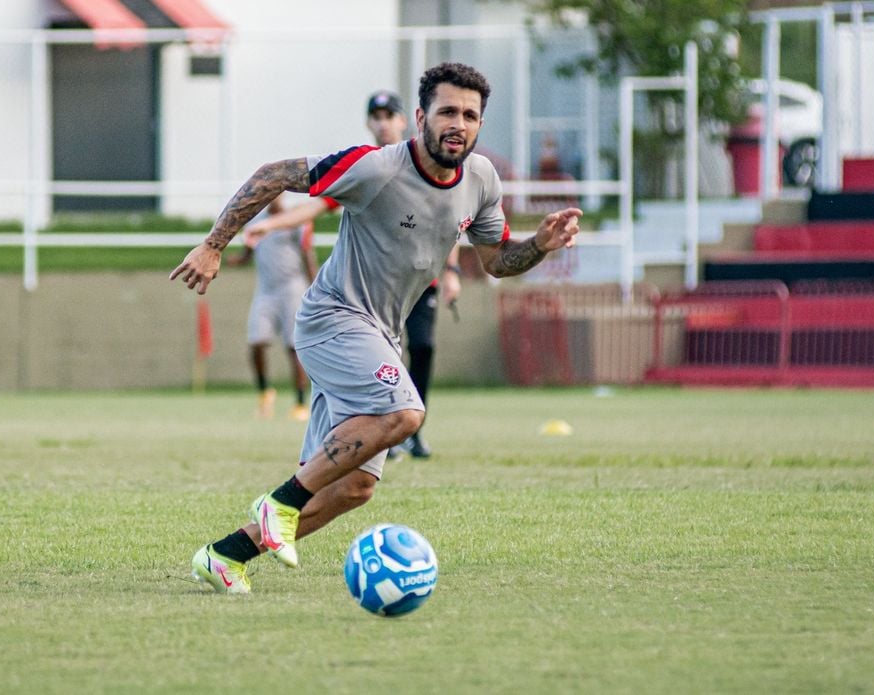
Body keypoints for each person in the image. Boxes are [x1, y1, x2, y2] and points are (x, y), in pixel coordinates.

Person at [171, 62, 581, 594]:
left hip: (379, 334)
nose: (458, 123)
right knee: (405, 412)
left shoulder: (482, 180)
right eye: (447, 112)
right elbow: (273, 174)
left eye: (470, 115)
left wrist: (541, 247)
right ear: (420, 117)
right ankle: (279, 503)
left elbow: (497, 262)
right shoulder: (375, 168)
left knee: (356, 487)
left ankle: (226, 555)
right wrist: (213, 244)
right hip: (332, 319)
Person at [243, 88, 462, 459]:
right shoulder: (366, 168)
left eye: (389, 116)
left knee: (423, 347)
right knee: (376, 363)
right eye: (376, 117)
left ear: (406, 120)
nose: (383, 124)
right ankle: (383, 431)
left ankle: (412, 431)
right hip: (371, 291)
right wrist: (272, 225)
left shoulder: (430, 164)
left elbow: (454, 219)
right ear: (369, 124)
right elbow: (316, 207)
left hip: (420, 282)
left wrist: (453, 270)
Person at [225, 196, 319, 421]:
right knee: (257, 342)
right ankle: (265, 392)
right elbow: (248, 252)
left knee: (294, 347)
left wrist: (315, 288)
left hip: (292, 288)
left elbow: (307, 255)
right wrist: (235, 259)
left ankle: (299, 402)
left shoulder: (294, 220)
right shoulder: (256, 222)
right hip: (266, 290)